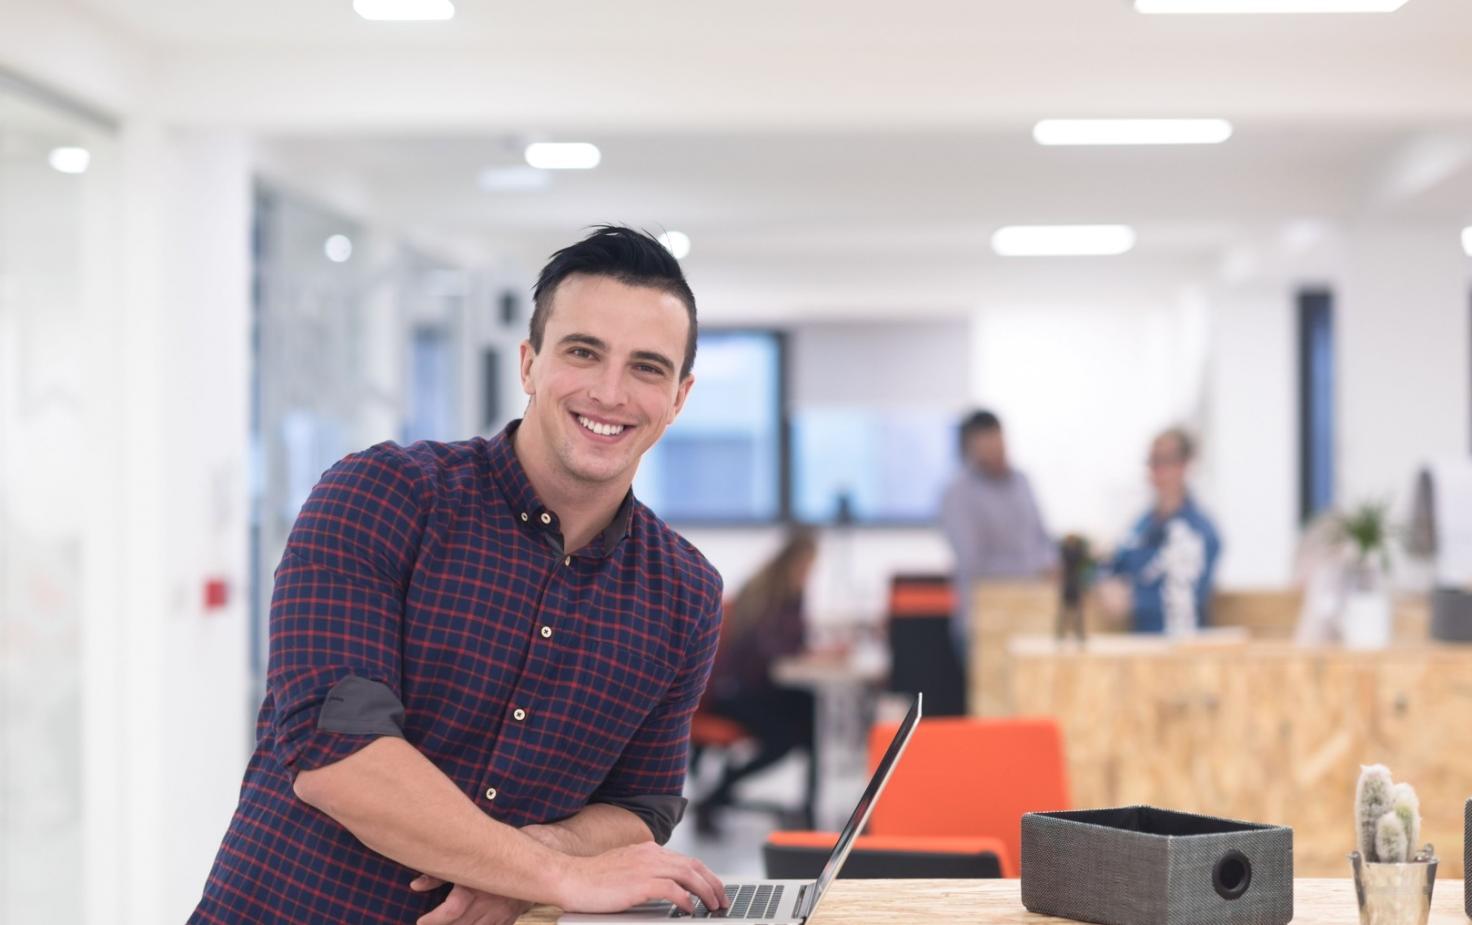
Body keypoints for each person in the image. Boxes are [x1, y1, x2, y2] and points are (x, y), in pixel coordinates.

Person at [191, 227, 730, 924]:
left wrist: (537, 856)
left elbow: (641, 803)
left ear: (680, 397)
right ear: (530, 363)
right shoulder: (382, 495)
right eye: (583, 352)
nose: (609, 390)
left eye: (647, 367)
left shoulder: (685, 593)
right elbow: (337, 753)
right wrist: (556, 874)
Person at [693, 528, 819, 836]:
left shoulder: (788, 594)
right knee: (788, 733)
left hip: (757, 689)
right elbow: (768, 650)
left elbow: (792, 645)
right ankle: (717, 795)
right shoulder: (766, 595)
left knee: (810, 710)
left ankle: (807, 805)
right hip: (735, 693)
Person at [939, 410, 1059, 656]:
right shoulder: (957, 495)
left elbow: (1042, 538)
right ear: (970, 448)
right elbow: (974, 564)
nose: (996, 450)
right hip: (985, 623)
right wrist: (1037, 570)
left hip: (1033, 617)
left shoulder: (1022, 481)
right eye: (986, 444)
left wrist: (1053, 562)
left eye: (998, 441)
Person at [1098, 427, 1222, 635]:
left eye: (1165, 461)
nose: (1157, 471)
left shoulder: (1201, 531)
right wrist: (1105, 583)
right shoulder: (1141, 526)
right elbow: (1112, 564)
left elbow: (1188, 596)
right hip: (1142, 646)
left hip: (1183, 647)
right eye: (1152, 462)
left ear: (1184, 465)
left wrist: (1133, 598)